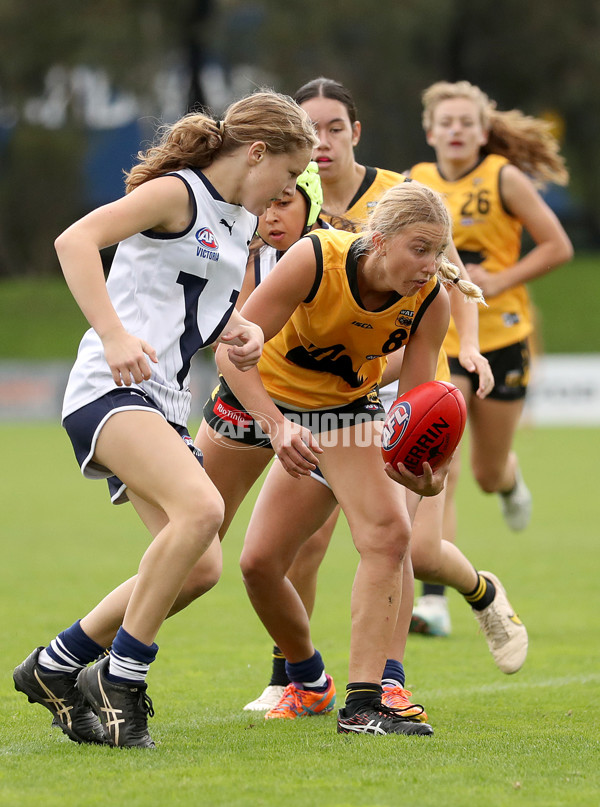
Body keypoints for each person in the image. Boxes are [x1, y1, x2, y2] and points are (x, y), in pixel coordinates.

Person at [12, 90, 317, 748]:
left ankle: (57, 665)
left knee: (200, 565)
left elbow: (191, 299)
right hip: (109, 389)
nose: (286, 194)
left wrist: (239, 330)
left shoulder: (238, 222)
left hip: (161, 404)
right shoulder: (180, 193)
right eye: (288, 177)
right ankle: (121, 679)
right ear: (257, 152)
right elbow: (76, 240)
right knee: (204, 509)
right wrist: (113, 334)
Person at [245, 77, 522, 711]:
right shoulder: (287, 198)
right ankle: (293, 677)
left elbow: (448, 280)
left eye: (334, 128)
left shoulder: (401, 198)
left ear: (354, 132)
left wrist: (468, 347)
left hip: (375, 384)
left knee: (405, 543)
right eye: (308, 130)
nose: (320, 141)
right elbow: (249, 316)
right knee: (287, 551)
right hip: (306, 388)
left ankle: (392, 674)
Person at [215, 181, 485, 736]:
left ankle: (365, 704)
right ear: (380, 241)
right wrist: (276, 424)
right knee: (245, 562)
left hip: (343, 413)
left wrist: (421, 474)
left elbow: (412, 406)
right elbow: (230, 350)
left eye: (438, 252)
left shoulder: (430, 299)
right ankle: (307, 678)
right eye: (420, 249)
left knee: (389, 533)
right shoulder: (315, 258)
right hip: (257, 399)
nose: (430, 265)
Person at [409, 80, 573, 635]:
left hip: (502, 335)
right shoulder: (417, 181)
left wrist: (500, 280)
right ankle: (434, 598)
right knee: (443, 468)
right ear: (430, 131)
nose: (455, 130)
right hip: (445, 341)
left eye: (465, 122)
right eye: (445, 122)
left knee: (484, 472)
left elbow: (558, 246)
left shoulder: (503, 177)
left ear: (483, 132)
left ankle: (509, 481)